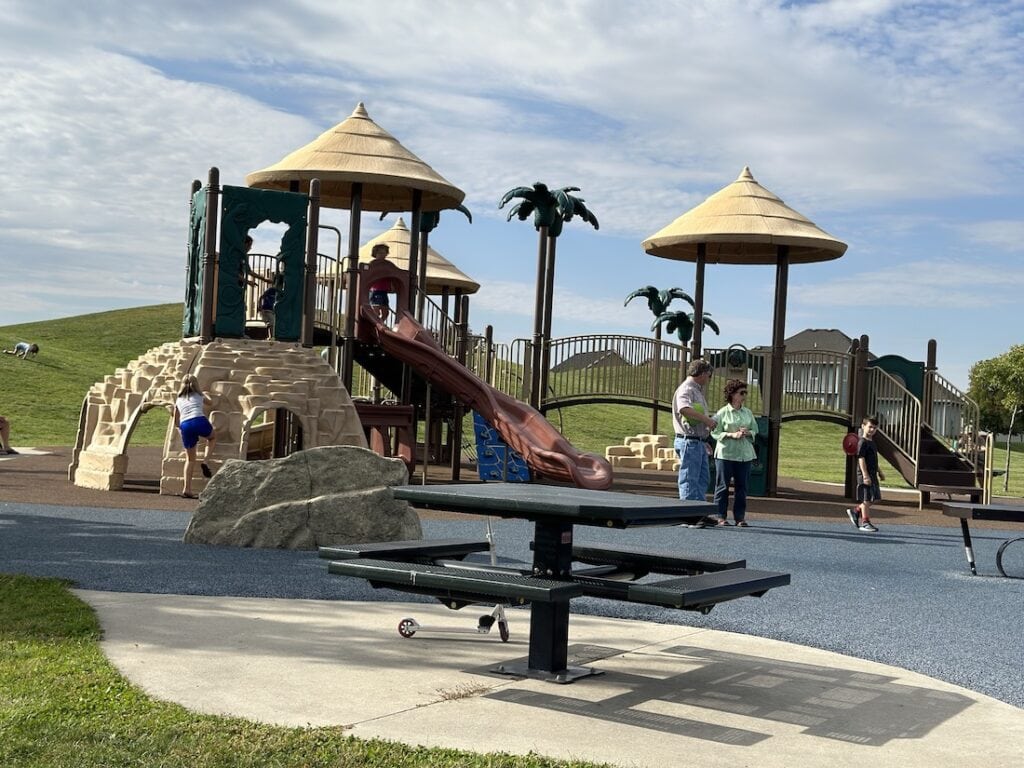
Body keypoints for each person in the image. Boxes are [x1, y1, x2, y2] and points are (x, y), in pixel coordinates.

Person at [672, 359, 718, 524]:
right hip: (688, 441)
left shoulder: (697, 390)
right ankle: (688, 514)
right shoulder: (686, 389)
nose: (709, 379)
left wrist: (703, 438)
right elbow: (684, 409)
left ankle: (699, 512)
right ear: (703, 373)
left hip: (697, 441)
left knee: (702, 478)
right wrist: (707, 421)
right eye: (709, 375)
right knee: (689, 478)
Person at [710, 378, 758, 526]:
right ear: (732, 394)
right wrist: (731, 435)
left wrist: (748, 432)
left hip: (744, 455)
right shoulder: (722, 412)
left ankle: (740, 517)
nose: (744, 395)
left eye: (745, 392)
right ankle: (720, 516)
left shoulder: (748, 412)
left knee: (742, 487)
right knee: (722, 486)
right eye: (741, 392)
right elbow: (715, 432)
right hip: (726, 454)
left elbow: (755, 430)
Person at [173, 374, 216, 499]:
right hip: (199, 420)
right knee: (212, 437)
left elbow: (176, 421)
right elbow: (210, 402)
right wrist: (205, 393)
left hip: (185, 424)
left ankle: (187, 489)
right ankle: (205, 461)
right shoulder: (199, 395)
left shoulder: (179, 399)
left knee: (190, 459)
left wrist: (180, 429)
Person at [845, 415, 884, 532]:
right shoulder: (862, 442)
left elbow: (873, 460)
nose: (872, 430)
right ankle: (865, 522)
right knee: (867, 499)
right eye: (870, 427)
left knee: (874, 498)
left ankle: (856, 511)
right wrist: (865, 475)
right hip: (865, 475)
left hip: (872, 473)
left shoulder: (872, 442)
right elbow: (861, 459)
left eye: (875, 428)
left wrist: (880, 472)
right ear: (863, 426)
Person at [367, 243, 393, 321]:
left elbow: (391, 275)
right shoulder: (373, 264)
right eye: (380, 253)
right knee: (376, 311)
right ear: (375, 254)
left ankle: (379, 324)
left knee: (386, 313)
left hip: (383, 291)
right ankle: (375, 324)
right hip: (375, 290)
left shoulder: (387, 264)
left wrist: (391, 286)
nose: (383, 255)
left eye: (384, 253)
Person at [257, 270, 284, 336]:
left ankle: (271, 335)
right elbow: (261, 297)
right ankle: (272, 336)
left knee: (272, 323)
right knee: (272, 322)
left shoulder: (281, 292)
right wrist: (259, 306)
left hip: (272, 310)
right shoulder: (271, 290)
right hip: (267, 309)